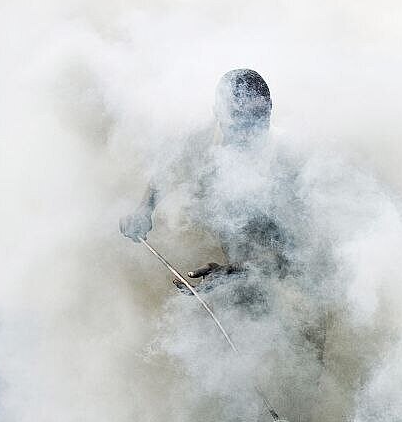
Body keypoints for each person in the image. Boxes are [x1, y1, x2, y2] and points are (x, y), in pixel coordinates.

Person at [119, 69, 298, 292]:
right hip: (221, 229)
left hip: (271, 247)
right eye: (237, 124)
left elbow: (297, 255)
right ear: (217, 114)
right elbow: (169, 168)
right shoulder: (199, 136)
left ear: (270, 109)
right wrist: (144, 210)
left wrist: (235, 272)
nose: (246, 135)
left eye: (256, 122)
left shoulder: (288, 157)